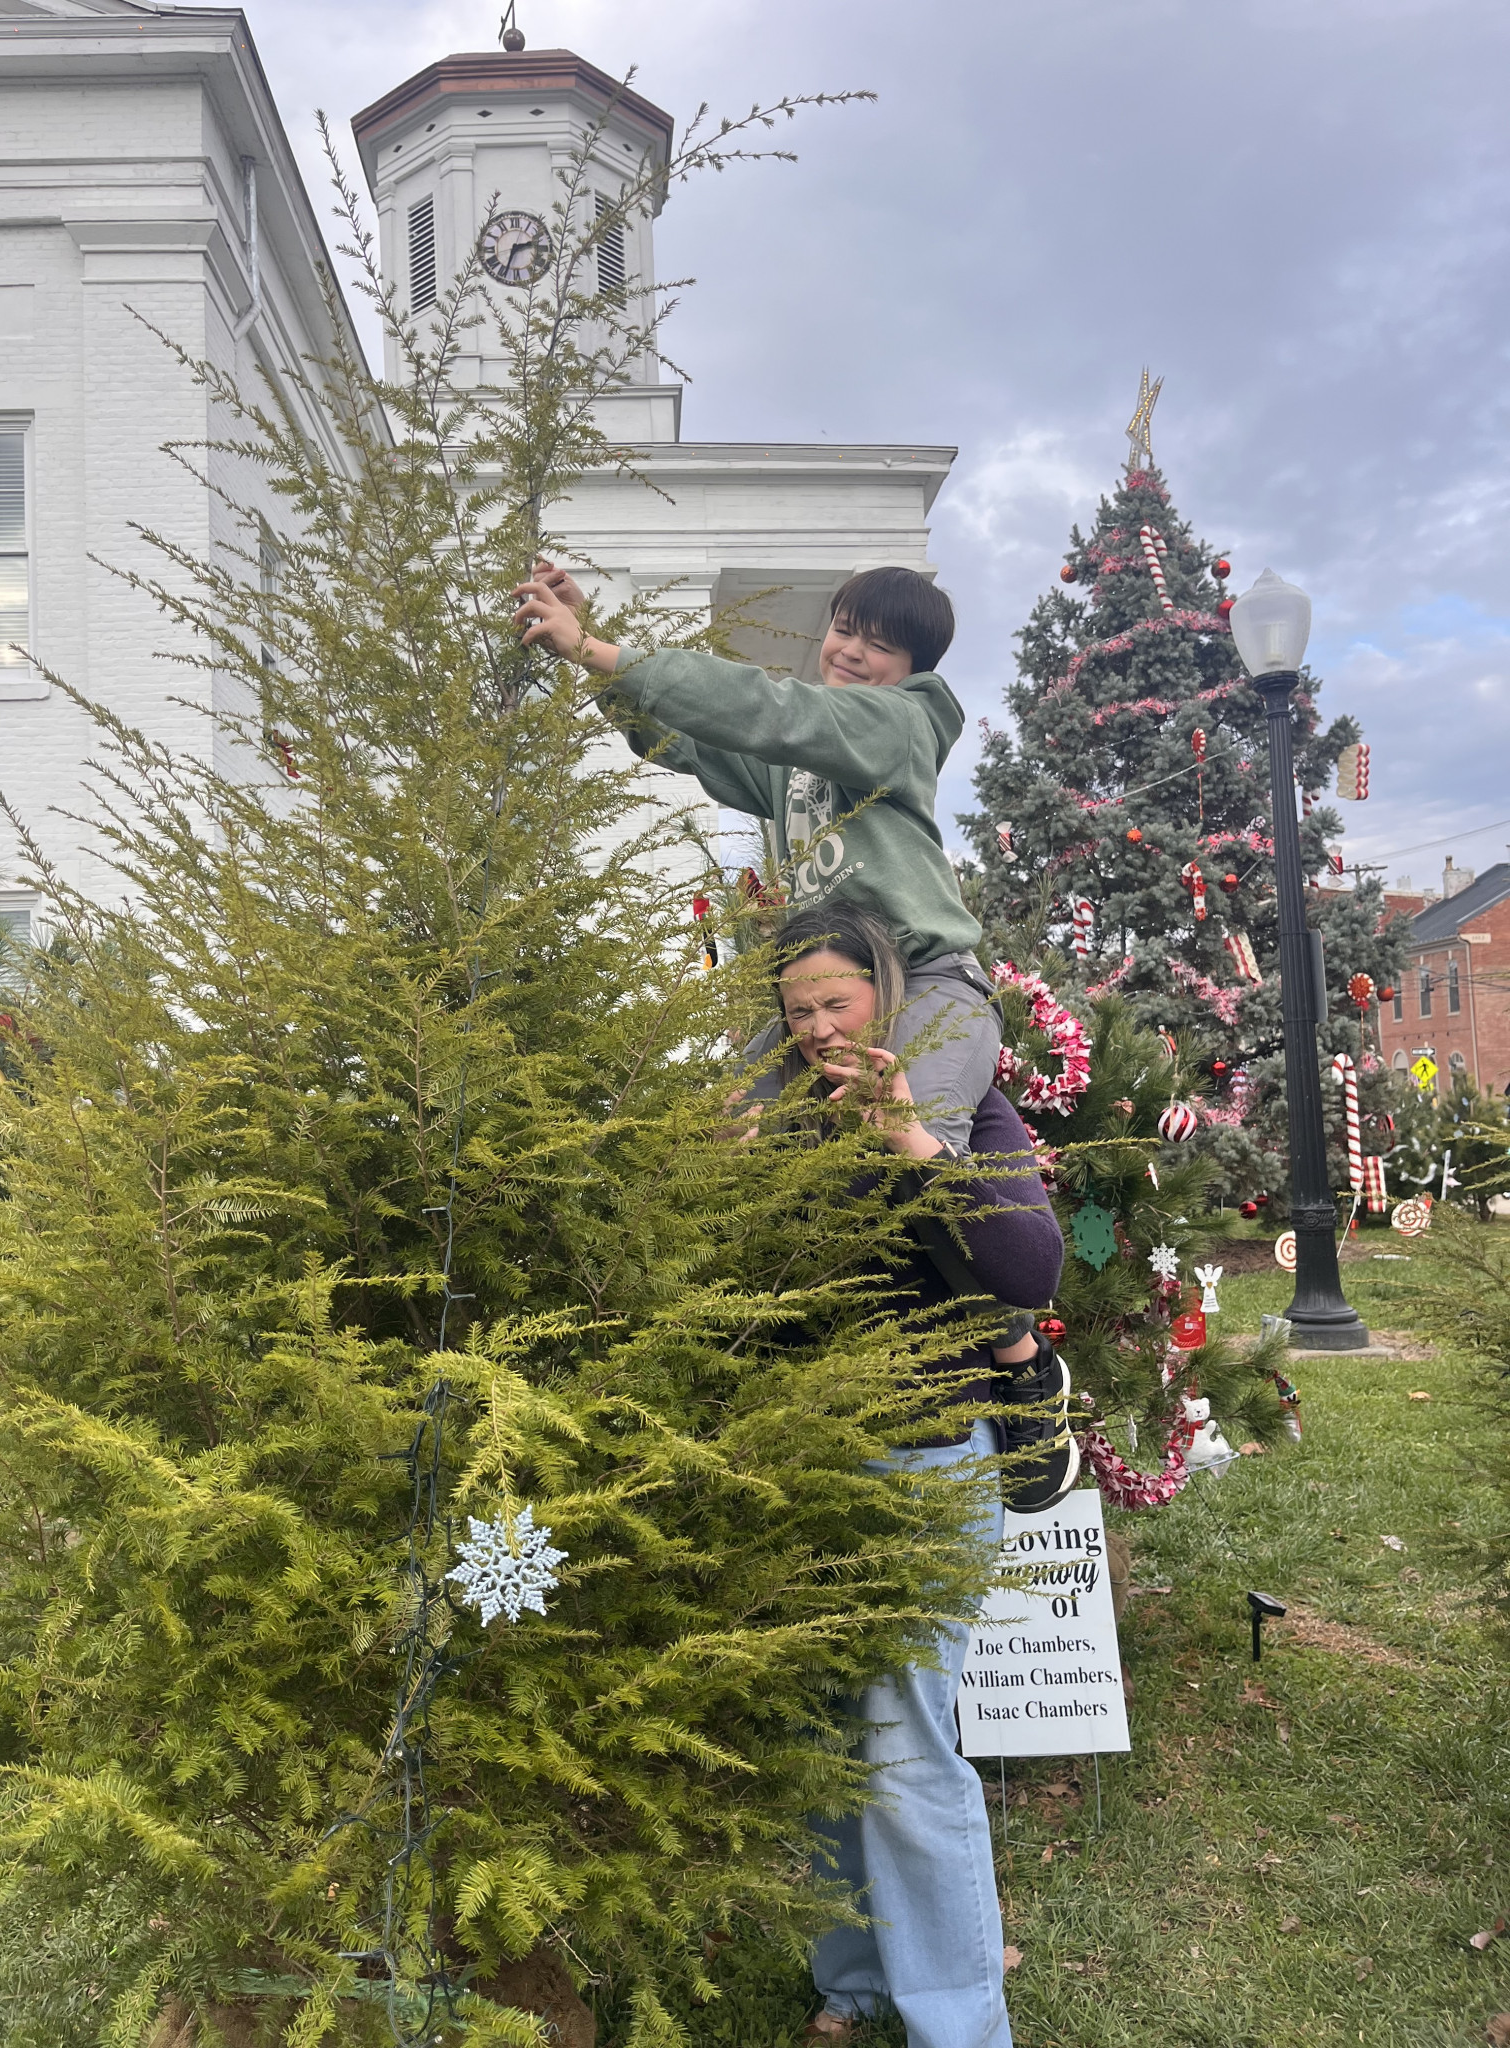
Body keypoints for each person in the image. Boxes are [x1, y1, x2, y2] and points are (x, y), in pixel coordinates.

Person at [764, 902, 1071, 2048]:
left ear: (885, 993)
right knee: (822, 1730)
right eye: (796, 1008)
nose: (816, 1025)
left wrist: (909, 1137)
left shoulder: (957, 1099)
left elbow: (1029, 1267)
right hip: (806, 1460)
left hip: (925, 1455)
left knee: (900, 1734)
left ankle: (959, 2023)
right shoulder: (780, 1114)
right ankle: (851, 1978)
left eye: (835, 999)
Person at [511, 560, 1001, 1155]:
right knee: (728, 1130)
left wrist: (596, 649)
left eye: (879, 646)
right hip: (828, 993)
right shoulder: (796, 762)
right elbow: (687, 740)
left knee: (915, 1149)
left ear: (912, 669)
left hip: (926, 979)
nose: (851, 651)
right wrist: (592, 648)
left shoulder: (903, 724)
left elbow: (771, 712)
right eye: (844, 630)